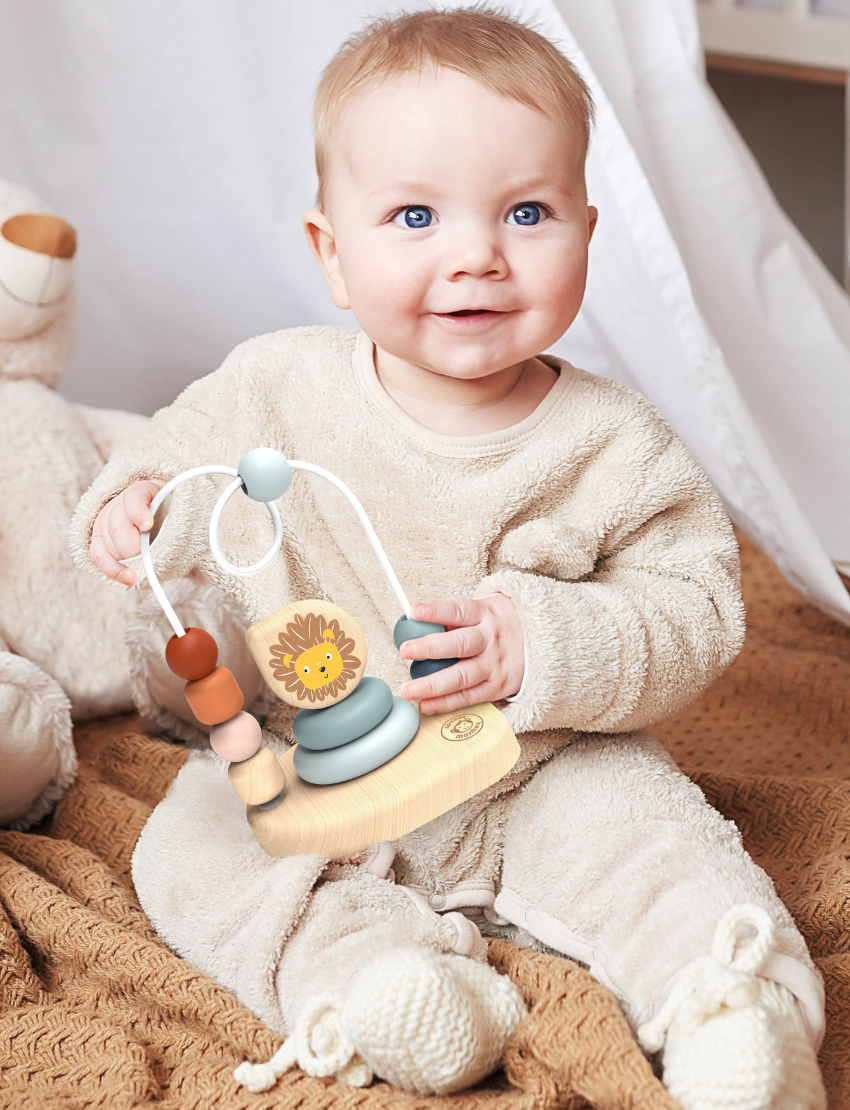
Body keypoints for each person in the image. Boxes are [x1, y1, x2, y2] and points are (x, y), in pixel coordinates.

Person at [71, 9, 826, 1108]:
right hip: (312, 763)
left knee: (656, 840)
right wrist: (133, 504)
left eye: (526, 211)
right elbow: (176, 467)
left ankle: (731, 1008)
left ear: (584, 229)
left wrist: (548, 642)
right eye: (415, 215)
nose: (475, 253)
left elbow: (698, 608)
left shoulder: (615, 443)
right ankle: (386, 984)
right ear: (332, 252)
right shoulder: (276, 387)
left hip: (537, 764)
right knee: (189, 853)